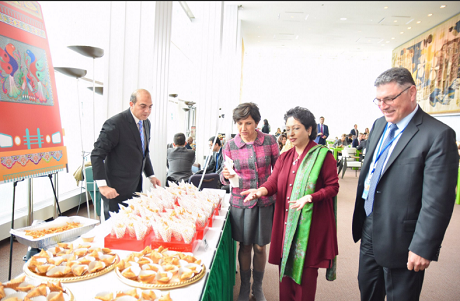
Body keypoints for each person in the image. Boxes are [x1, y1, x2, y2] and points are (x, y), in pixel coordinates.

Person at [352, 67, 459, 301]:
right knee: (367, 291)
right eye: (378, 100)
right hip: (370, 226)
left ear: (412, 93)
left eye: (389, 98)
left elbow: (438, 201)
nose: (383, 105)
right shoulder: (379, 125)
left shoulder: (438, 135)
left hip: (405, 238)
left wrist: (423, 246)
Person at [241, 106, 339, 301]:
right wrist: (259, 191)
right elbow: (273, 182)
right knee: (285, 276)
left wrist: (311, 197)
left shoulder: (322, 156)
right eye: (288, 129)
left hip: (310, 226)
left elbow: (333, 187)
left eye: (296, 128)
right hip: (287, 223)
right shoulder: (285, 156)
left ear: (309, 130)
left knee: (305, 278)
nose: (291, 134)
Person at [220, 102, 279, 301]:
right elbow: (223, 176)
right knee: (244, 246)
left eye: (248, 123)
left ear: (257, 123)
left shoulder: (270, 141)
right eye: (239, 124)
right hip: (241, 201)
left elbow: (277, 172)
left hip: (264, 200)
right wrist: (225, 175)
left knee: (260, 246)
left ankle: (258, 287)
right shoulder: (230, 145)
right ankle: (245, 287)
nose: (243, 129)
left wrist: (265, 190)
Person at [91, 89, 161, 220]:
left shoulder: (146, 123)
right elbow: (97, 155)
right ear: (131, 104)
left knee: (132, 225)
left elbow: (144, 152)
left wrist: (151, 175)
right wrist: (103, 186)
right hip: (115, 189)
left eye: (150, 107)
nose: (147, 111)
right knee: (115, 228)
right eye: (143, 106)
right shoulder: (115, 123)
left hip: (135, 186)